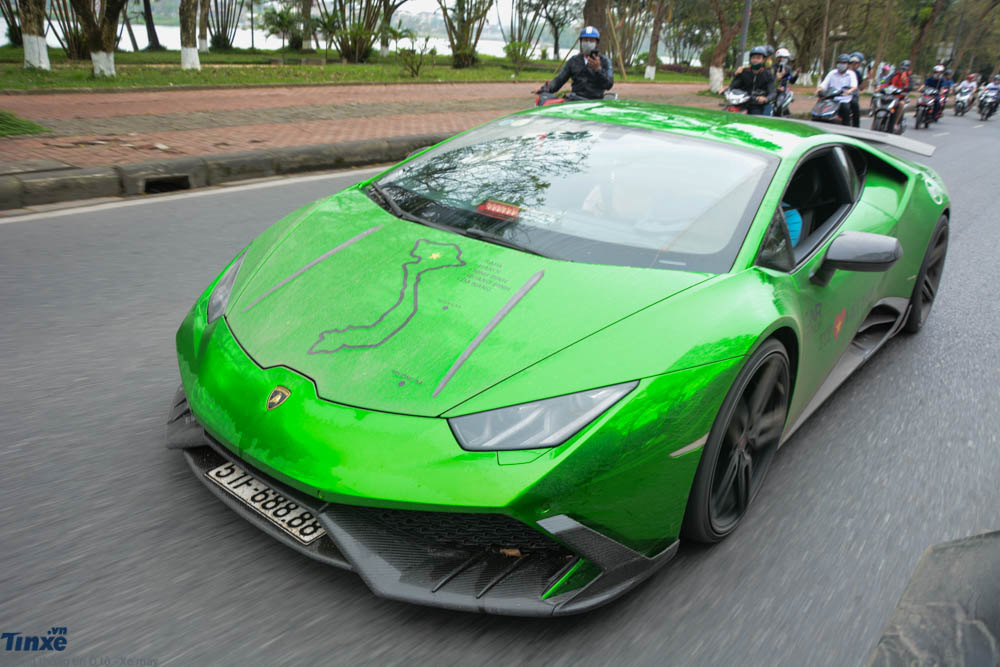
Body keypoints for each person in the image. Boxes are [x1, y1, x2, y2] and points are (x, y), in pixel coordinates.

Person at [537, 26, 613, 101]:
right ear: (581, 42)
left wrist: (598, 69)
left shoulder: (604, 61)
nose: (588, 43)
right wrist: (546, 89)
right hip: (576, 101)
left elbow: (609, 84)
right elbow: (559, 80)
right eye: (585, 40)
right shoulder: (574, 61)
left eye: (591, 40)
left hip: (596, 101)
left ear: (596, 43)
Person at [727, 46, 776, 115]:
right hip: (743, 102)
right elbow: (733, 86)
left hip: (759, 105)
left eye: (758, 58)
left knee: (764, 120)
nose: (755, 60)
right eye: (753, 58)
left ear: (763, 60)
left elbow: (773, 92)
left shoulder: (768, 75)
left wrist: (766, 98)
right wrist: (726, 90)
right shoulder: (743, 72)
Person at [816, 54, 859, 125]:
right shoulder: (832, 73)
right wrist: (819, 90)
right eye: (839, 63)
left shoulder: (851, 74)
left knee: (846, 109)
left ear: (848, 64)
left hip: (844, 99)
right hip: (831, 99)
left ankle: (846, 127)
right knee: (819, 106)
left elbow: (854, 86)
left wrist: (848, 91)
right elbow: (824, 84)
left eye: (844, 63)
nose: (841, 64)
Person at [879, 59, 913, 132]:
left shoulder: (909, 77)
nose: (902, 70)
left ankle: (895, 123)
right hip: (891, 95)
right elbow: (886, 82)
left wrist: (904, 85)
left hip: (901, 97)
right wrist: (880, 87)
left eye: (904, 68)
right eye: (902, 68)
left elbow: (910, 87)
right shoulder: (894, 75)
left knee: (901, 104)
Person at [847, 53, 863, 127]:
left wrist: (869, 78)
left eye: (856, 63)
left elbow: (861, 87)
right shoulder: (839, 72)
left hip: (851, 95)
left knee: (855, 106)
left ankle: (856, 127)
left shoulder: (857, 74)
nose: (854, 65)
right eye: (852, 63)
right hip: (837, 94)